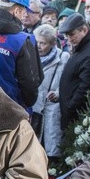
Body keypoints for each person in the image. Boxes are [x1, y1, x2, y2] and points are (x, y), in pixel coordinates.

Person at [57, 13, 90, 128]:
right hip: (72, 113)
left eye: (72, 35)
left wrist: (70, 106)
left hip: (79, 116)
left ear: (84, 30)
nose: (69, 39)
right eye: (67, 36)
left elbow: (86, 86)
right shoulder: (82, 48)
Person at [31, 24, 69, 160]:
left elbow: (67, 82)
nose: (39, 46)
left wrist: (58, 93)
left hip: (52, 107)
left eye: (43, 43)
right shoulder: (30, 56)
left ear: (53, 43)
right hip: (35, 108)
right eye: (37, 42)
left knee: (51, 147)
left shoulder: (63, 58)